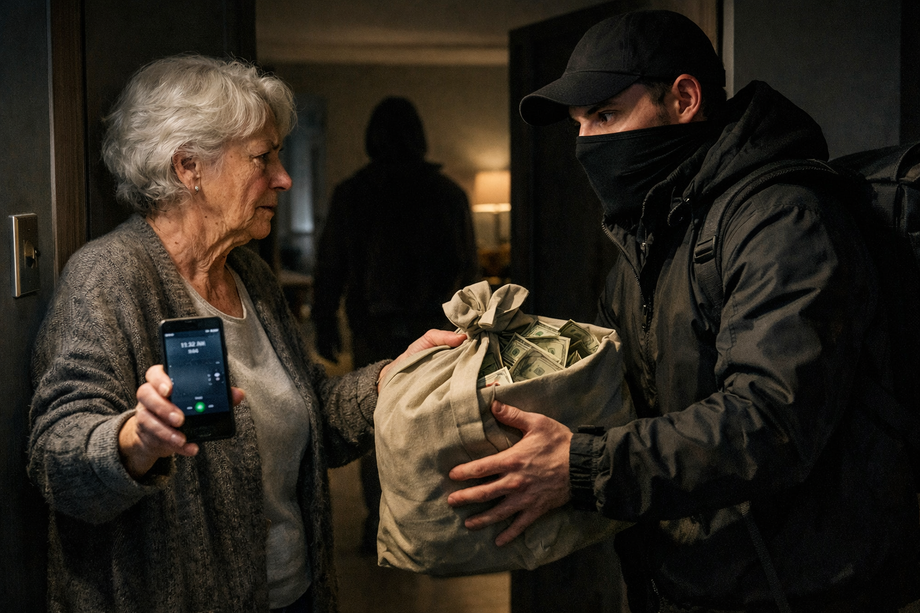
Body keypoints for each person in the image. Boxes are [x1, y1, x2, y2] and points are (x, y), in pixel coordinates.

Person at [447, 10, 920, 612]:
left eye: (606, 115)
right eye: (580, 124)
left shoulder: (781, 220)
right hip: (689, 586)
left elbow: (771, 420)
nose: (586, 144)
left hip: (797, 591)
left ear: (684, 99)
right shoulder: (646, 242)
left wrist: (582, 467)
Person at [26, 55, 463, 613]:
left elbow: (312, 418)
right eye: (263, 157)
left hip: (293, 592)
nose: (284, 177)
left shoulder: (250, 274)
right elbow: (56, 457)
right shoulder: (109, 277)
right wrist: (134, 442)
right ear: (188, 167)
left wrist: (394, 378)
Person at [312, 96, 479, 553]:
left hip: (375, 328)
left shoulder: (353, 193)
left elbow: (330, 266)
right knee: (435, 424)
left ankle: (380, 523)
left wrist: (325, 321)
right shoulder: (447, 194)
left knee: (377, 425)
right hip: (437, 328)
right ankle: (428, 525)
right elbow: (470, 271)